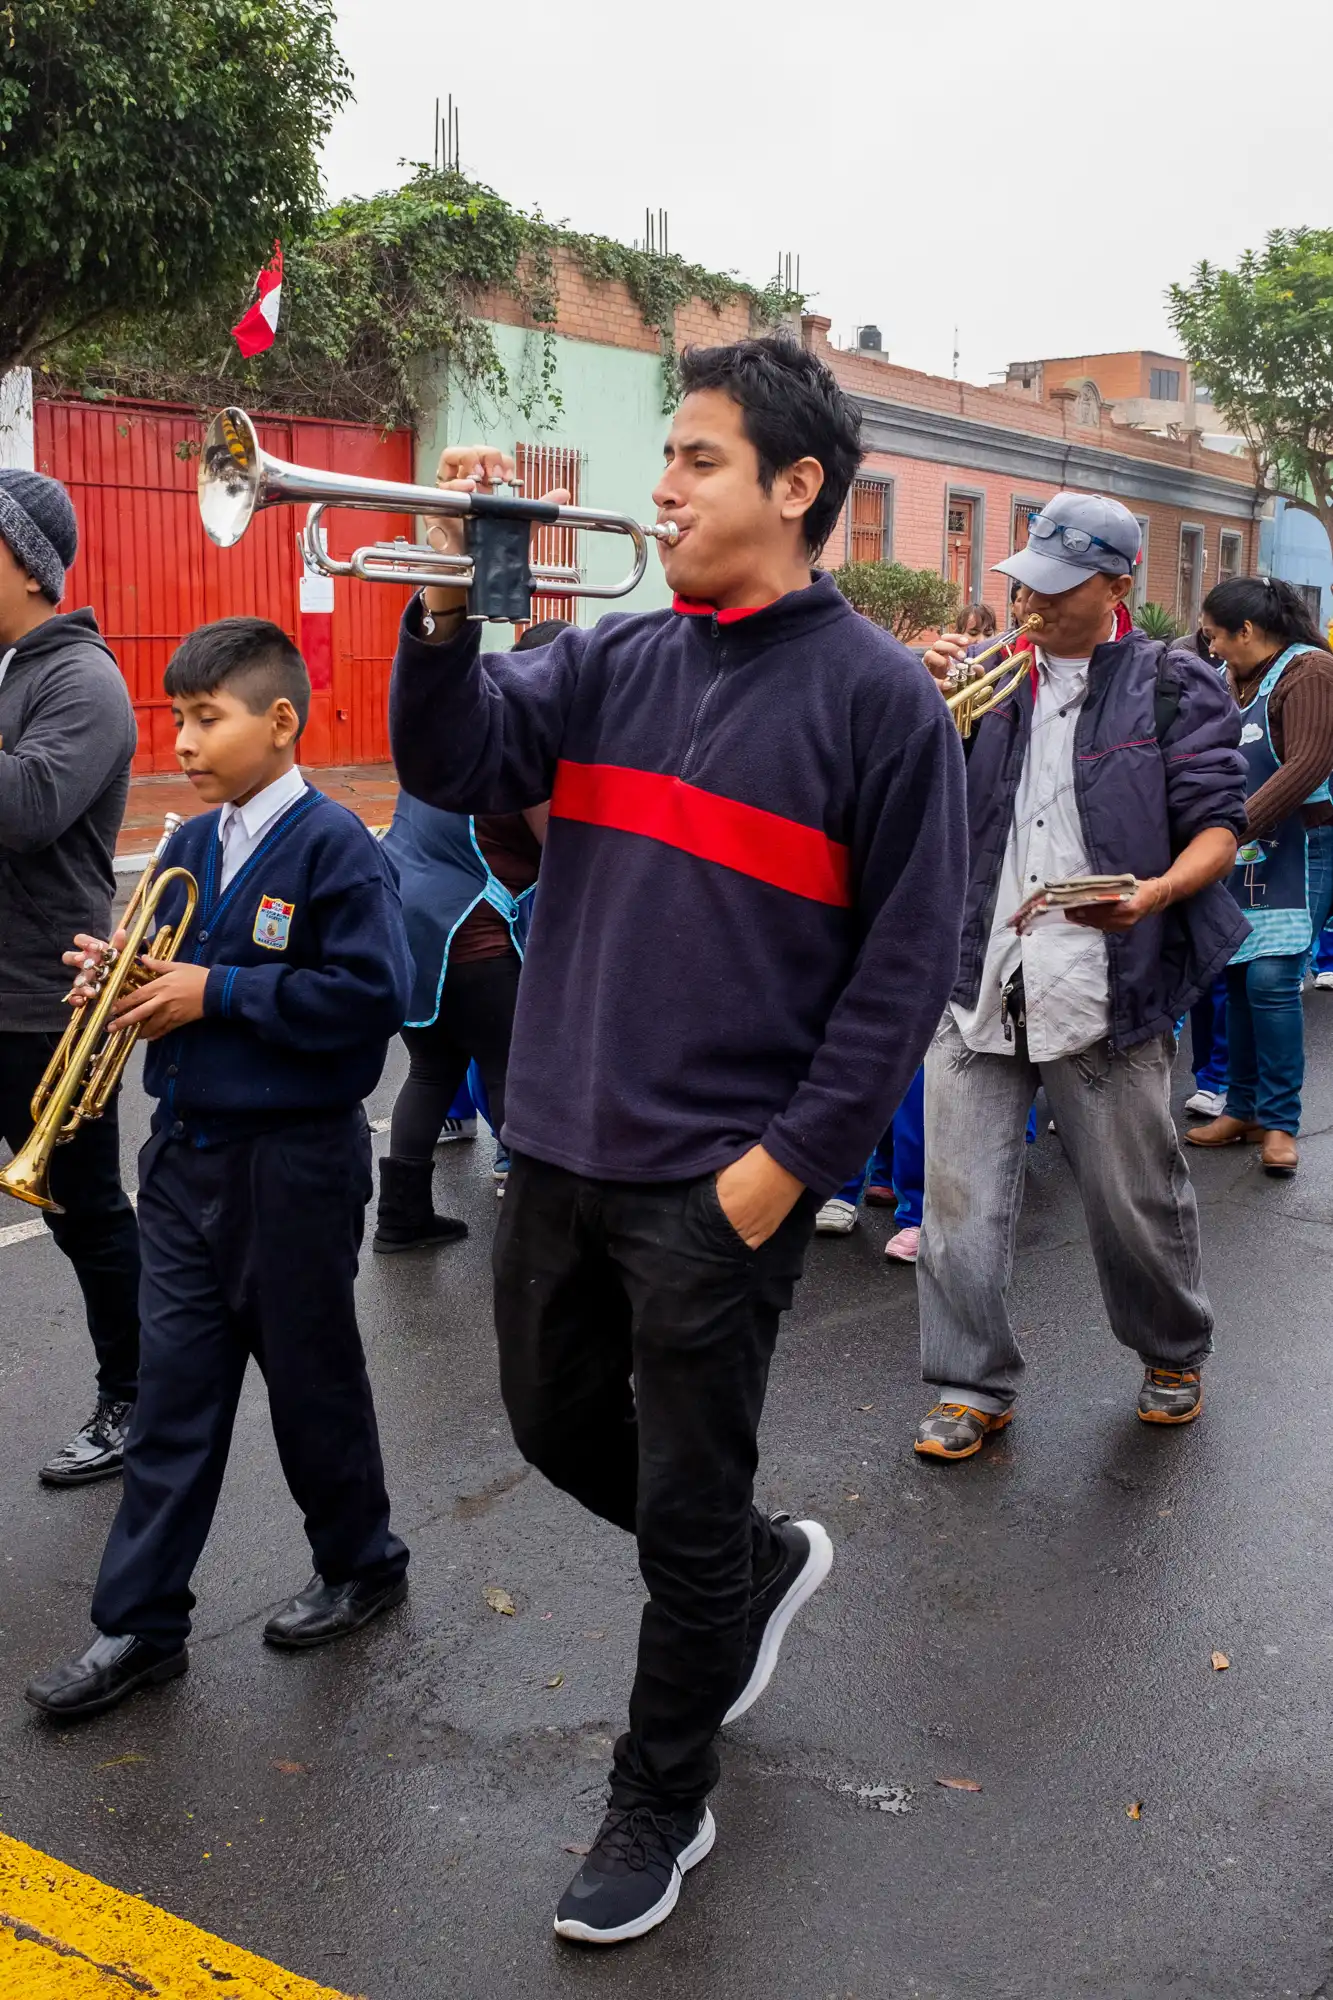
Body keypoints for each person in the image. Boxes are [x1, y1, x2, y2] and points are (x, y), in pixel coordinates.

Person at [389, 333, 969, 1944]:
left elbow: (904, 966)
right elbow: (451, 760)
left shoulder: (882, 702)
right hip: (558, 1140)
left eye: (699, 460)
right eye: (666, 460)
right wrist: (445, 611)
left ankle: (662, 1795)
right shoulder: (609, 663)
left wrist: (780, 1172)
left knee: (687, 1487)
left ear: (797, 489)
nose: (660, 489)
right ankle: (754, 1566)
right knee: (545, 1418)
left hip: (721, 1180)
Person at [26, 618, 413, 1721]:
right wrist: (126, 984)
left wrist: (216, 991)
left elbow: (369, 999)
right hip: (187, 1159)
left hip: (295, 1162)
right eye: (179, 717)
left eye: (208, 717)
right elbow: (177, 978)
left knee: (312, 1384)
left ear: (279, 720)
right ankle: (138, 1625)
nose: (184, 740)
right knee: (173, 1398)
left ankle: (361, 1561)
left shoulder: (339, 845)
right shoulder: (190, 849)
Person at [912, 492, 1249, 1462]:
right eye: (1026, 587)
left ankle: (1172, 1348)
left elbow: (1218, 824)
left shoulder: (1171, 684)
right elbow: (907, 787)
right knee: (957, 1201)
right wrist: (918, 692)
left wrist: (1152, 893)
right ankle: (970, 1378)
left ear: (1117, 585)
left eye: (1058, 591)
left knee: (1133, 1197)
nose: (1031, 608)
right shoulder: (985, 680)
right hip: (981, 974)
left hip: (1107, 981)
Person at [0, 466, 142, 1488]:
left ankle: (134, 1393)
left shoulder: (81, 678)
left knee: (86, 1215)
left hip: (45, 1001)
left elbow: (30, 807)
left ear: (25, 564)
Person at [373, 620, 565, 1249]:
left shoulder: (451, 729)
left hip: (406, 927)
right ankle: (540, 1232)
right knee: (516, 1070)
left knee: (429, 1070)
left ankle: (402, 1220)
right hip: (473, 937)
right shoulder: (526, 750)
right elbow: (565, 856)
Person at [1187, 577, 1333, 1174]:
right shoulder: (1235, 678)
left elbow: (1307, 764)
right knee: (1239, 973)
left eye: (1217, 635)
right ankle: (1242, 1107)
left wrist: (1230, 828)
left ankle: (1280, 1123)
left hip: (1303, 845)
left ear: (1247, 630)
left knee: (1272, 978)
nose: (1211, 646)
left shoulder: (1311, 673)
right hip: (1249, 847)